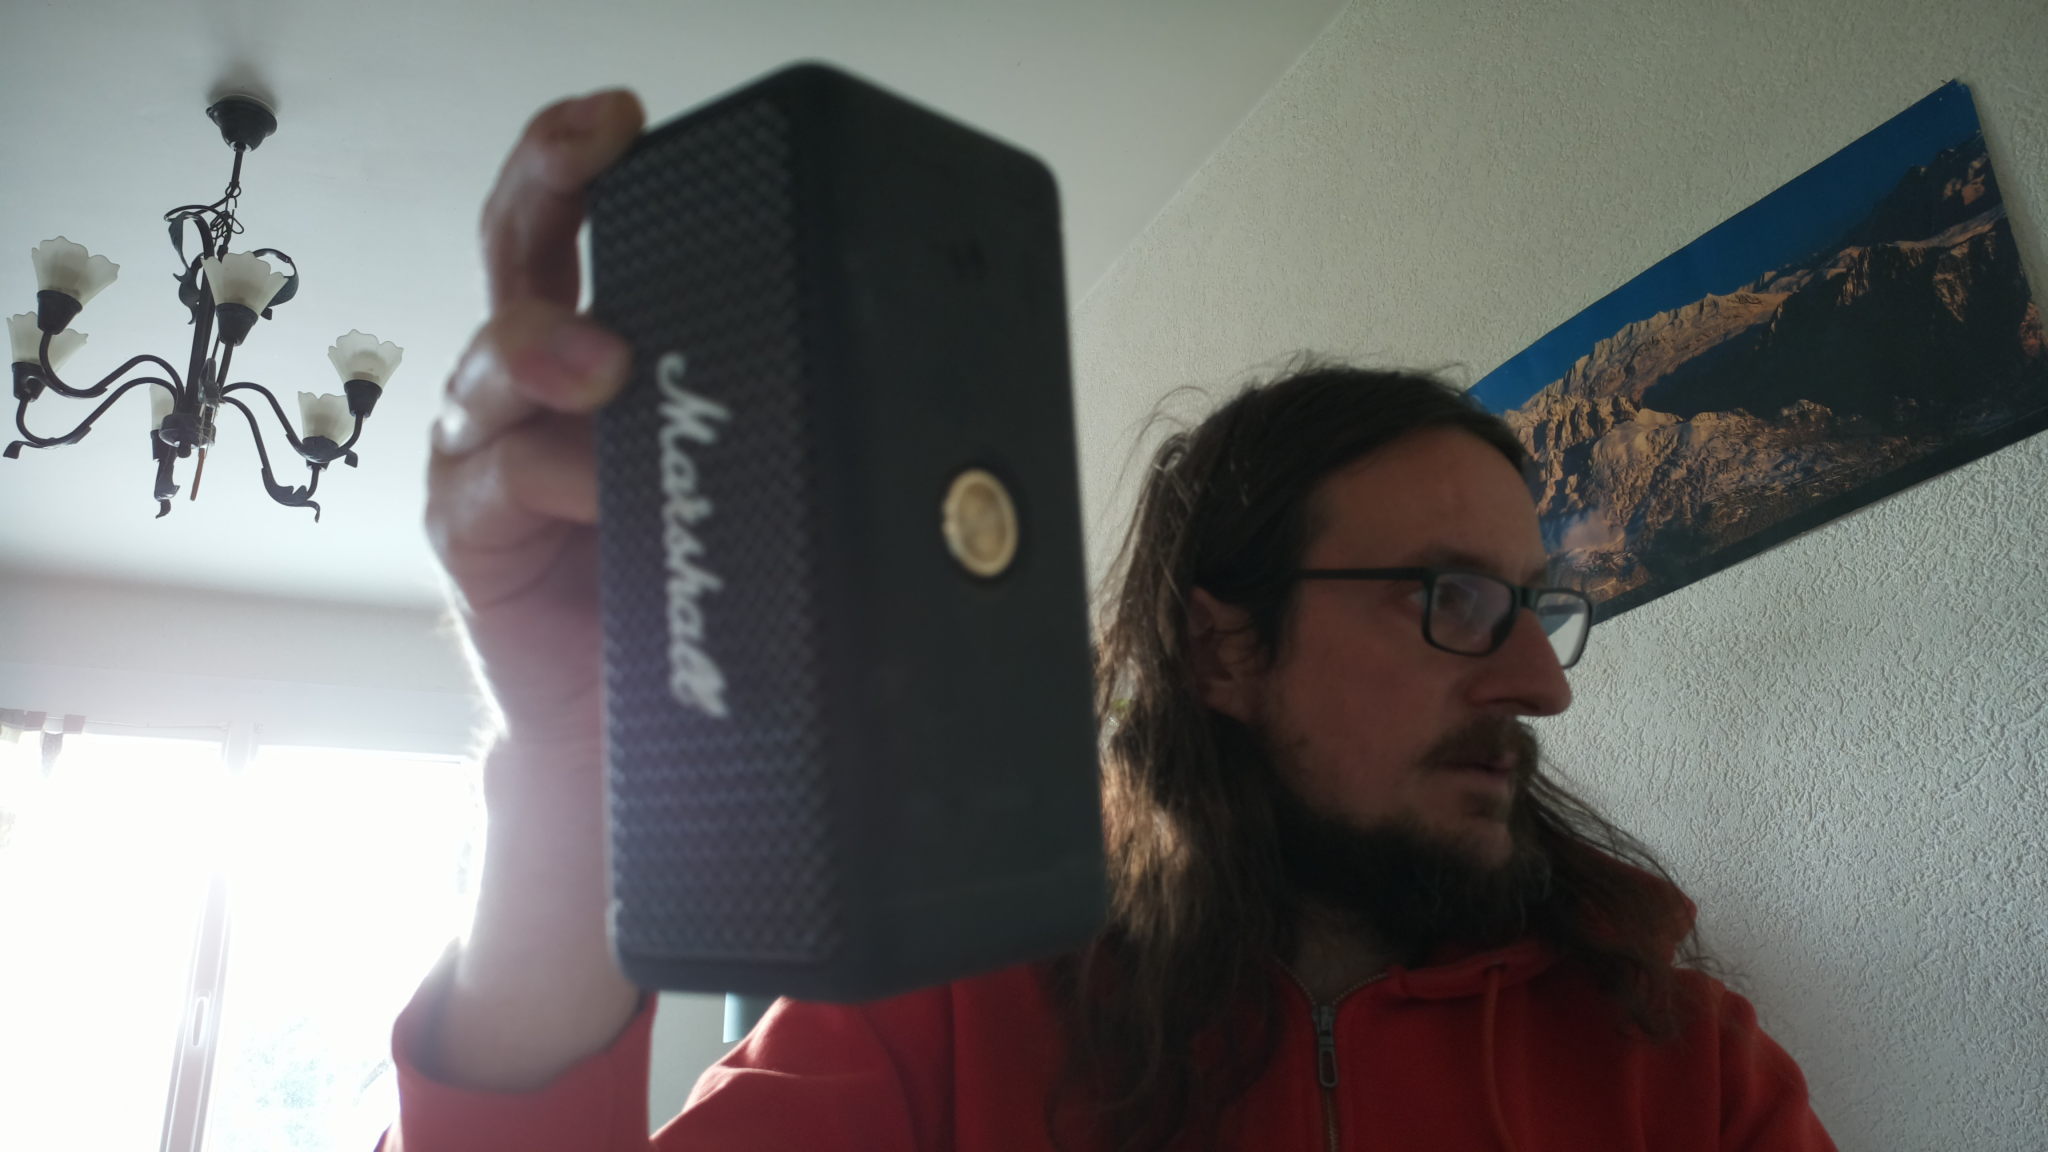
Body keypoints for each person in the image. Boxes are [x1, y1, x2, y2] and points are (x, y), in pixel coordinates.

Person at [380, 89, 1836, 1151]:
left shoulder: (1687, 1065)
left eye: (1536, 607)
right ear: (1222, 649)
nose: (1541, 685)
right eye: (1453, 600)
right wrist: (579, 775)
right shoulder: (948, 1010)